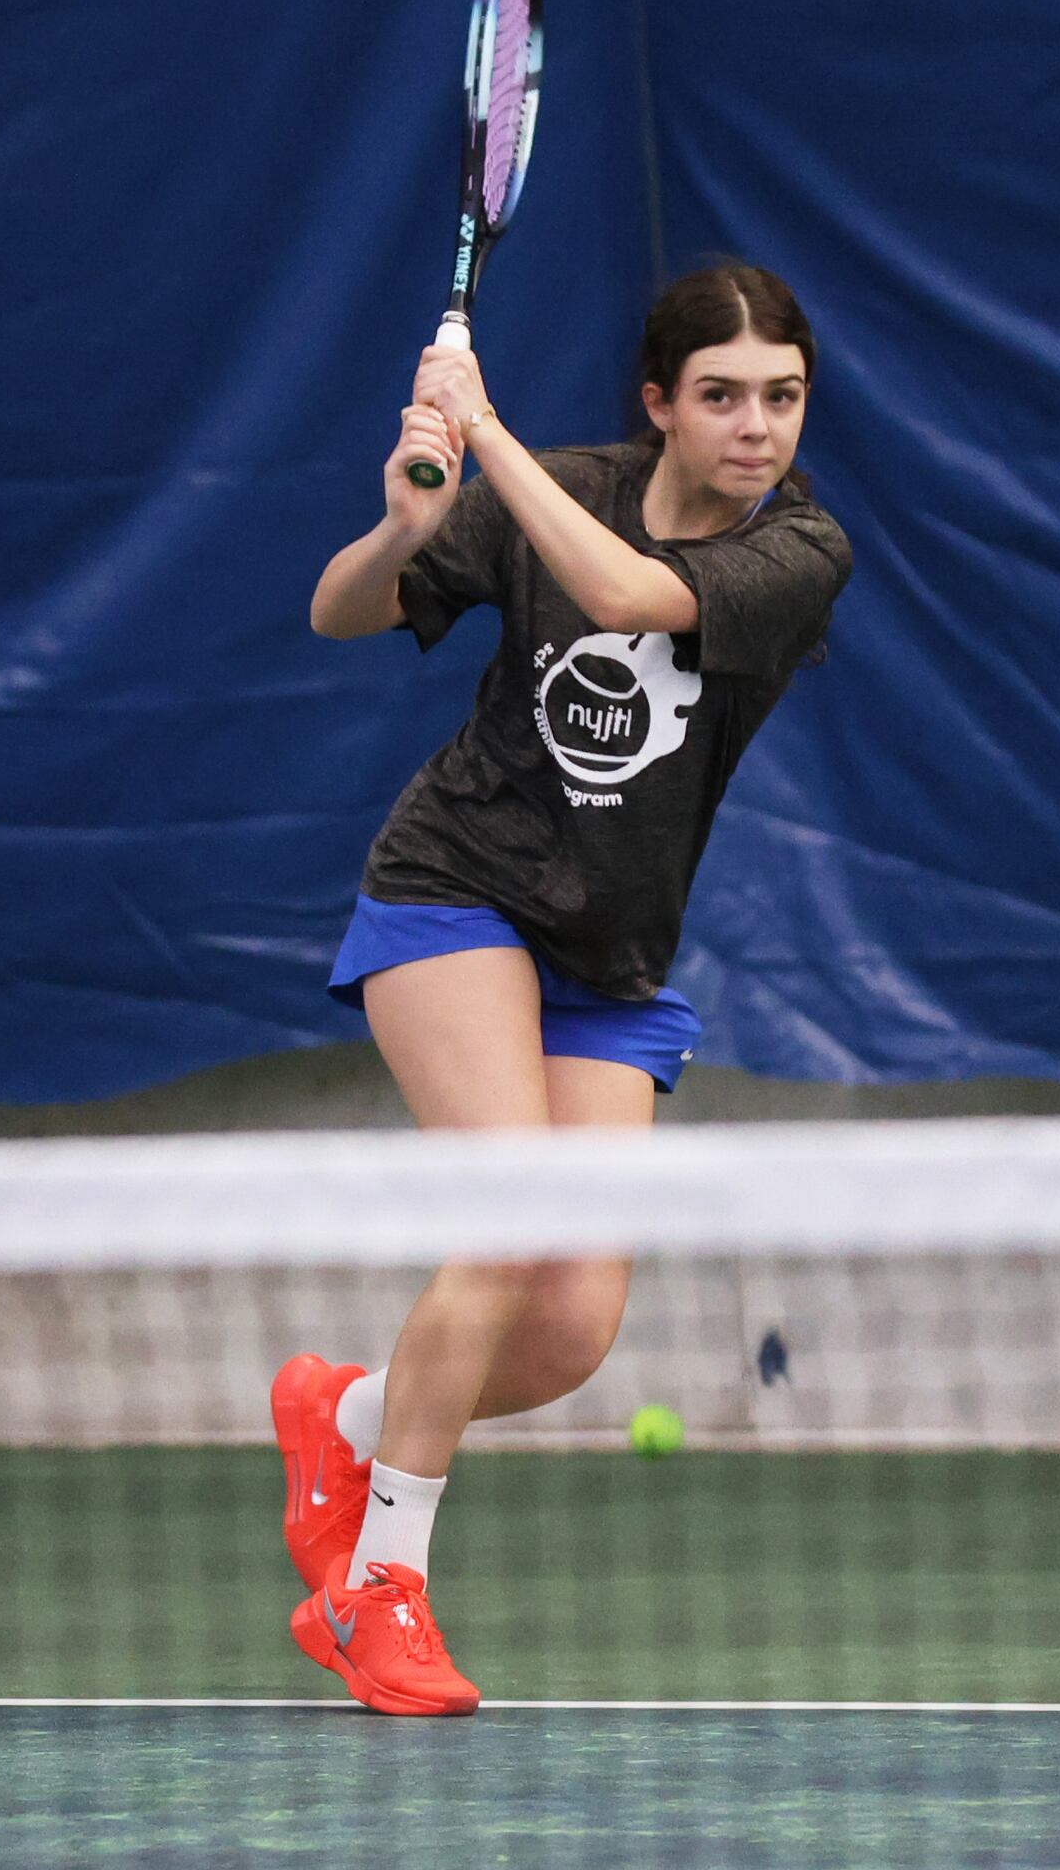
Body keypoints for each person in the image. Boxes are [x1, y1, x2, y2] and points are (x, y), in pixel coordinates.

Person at [278, 263, 855, 1716]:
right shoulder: (576, 482)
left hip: (610, 958)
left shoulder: (800, 555)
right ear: (659, 405)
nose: (755, 427)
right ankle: (380, 1589)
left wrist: (486, 426)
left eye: (780, 398)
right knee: (509, 1219)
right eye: (720, 397)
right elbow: (337, 613)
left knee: (572, 1325)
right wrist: (404, 528)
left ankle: (343, 1416)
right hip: (454, 892)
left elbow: (632, 595)